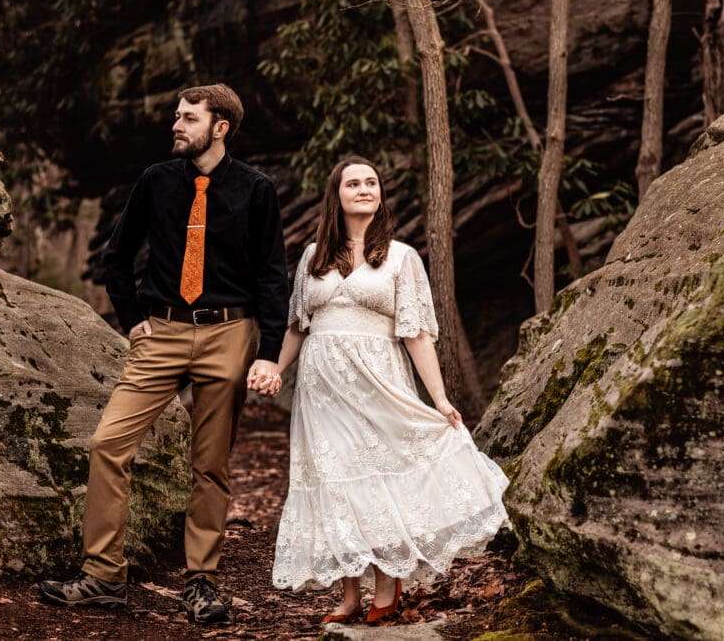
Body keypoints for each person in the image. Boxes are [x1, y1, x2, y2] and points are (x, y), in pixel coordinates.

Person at [39, 83, 288, 624]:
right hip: (162, 334)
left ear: (220, 127)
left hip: (229, 332)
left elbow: (272, 276)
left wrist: (267, 351)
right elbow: (118, 255)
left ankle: (202, 581)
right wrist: (132, 322)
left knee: (211, 465)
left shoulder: (256, 189)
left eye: (188, 118)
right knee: (108, 443)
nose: (176, 125)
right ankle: (102, 574)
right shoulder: (156, 181)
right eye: (176, 116)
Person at [263, 156, 509, 624]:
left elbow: (416, 332)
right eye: (353, 183)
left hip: (378, 379)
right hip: (322, 388)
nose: (364, 189)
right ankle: (349, 593)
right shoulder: (313, 256)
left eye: (371, 182)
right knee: (335, 482)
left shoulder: (400, 256)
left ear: (380, 195)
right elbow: (298, 325)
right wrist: (276, 368)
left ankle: (386, 583)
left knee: (377, 473)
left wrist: (438, 398)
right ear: (336, 195)